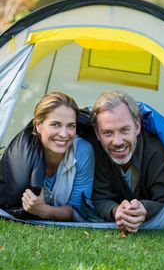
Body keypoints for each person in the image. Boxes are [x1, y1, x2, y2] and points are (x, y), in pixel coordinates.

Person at [0, 91, 95, 221]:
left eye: (71, 126)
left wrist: (44, 211)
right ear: (38, 125)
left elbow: (78, 210)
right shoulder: (21, 155)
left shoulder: (83, 151)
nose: (63, 134)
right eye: (55, 124)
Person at [90, 91, 164, 233]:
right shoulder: (94, 151)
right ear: (98, 134)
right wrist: (116, 211)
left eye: (124, 130)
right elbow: (99, 199)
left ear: (137, 127)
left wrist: (144, 209)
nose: (117, 142)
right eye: (108, 133)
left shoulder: (157, 150)